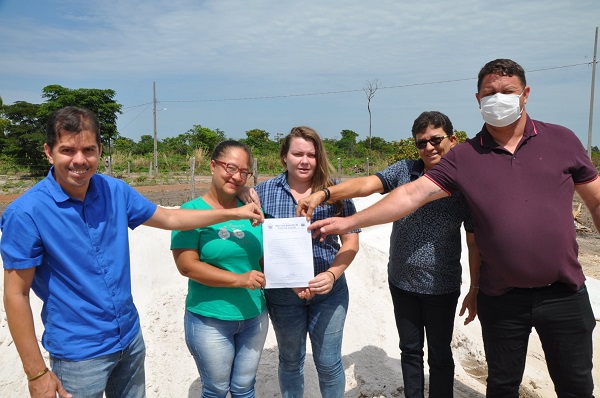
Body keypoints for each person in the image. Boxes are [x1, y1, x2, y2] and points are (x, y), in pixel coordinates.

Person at [303, 59, 600, 397]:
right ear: (477, 99)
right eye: (490, 93)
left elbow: (594, 202)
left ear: (525, 94)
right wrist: (343, 212)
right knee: (499, 384)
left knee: (575, 386)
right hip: (490, 296)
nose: (498, 98)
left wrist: (471, 288)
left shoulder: (560, 140)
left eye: (507, 91)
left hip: (556, 291)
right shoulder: (459, 160)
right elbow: (406, 193)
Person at [1, 107, 263, 398]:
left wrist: (234, 212)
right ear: (49, 152)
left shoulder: (115, 191)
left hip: (129, 339)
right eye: (68, 150)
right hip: (78, 354)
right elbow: (16, 294)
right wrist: (36, 373)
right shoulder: (26, 213)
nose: (79, 160)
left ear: (100, 150)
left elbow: (171, 218)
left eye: (88, 150)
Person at [297, 111, 480, 397]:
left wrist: (475, 288)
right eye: (422, 143)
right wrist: (324, 194)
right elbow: (366, 184)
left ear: (452, 139)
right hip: (401, 282)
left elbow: (474, 241)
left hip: (441, 285)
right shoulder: (405, 171)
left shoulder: (466, 183)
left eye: (436, 140)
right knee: (409, 351)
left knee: (440, 356)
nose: (429, 147)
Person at [254, 126, 360, 397]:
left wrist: (333, 275)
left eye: (311, 155)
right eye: (297, 153)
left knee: (329, 363)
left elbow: (351, 242)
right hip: (283, 295)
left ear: (319, 157)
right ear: (284, 157)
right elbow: (257, 245)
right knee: (290, 361)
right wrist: (286, 280)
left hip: (330, 293)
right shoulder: (263, 193)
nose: (304, 160)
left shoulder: (335, 192)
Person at [171, 140, 268, 398]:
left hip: (254, 316)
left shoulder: (252, 210)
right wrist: (239, 279)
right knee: (215, 389)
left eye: (244, 172)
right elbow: (186, 266)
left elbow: (260, 260)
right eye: (230, 168)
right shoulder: (190, 212)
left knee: (245, 388)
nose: (236, 177)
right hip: (210, 320)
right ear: (213, 166)